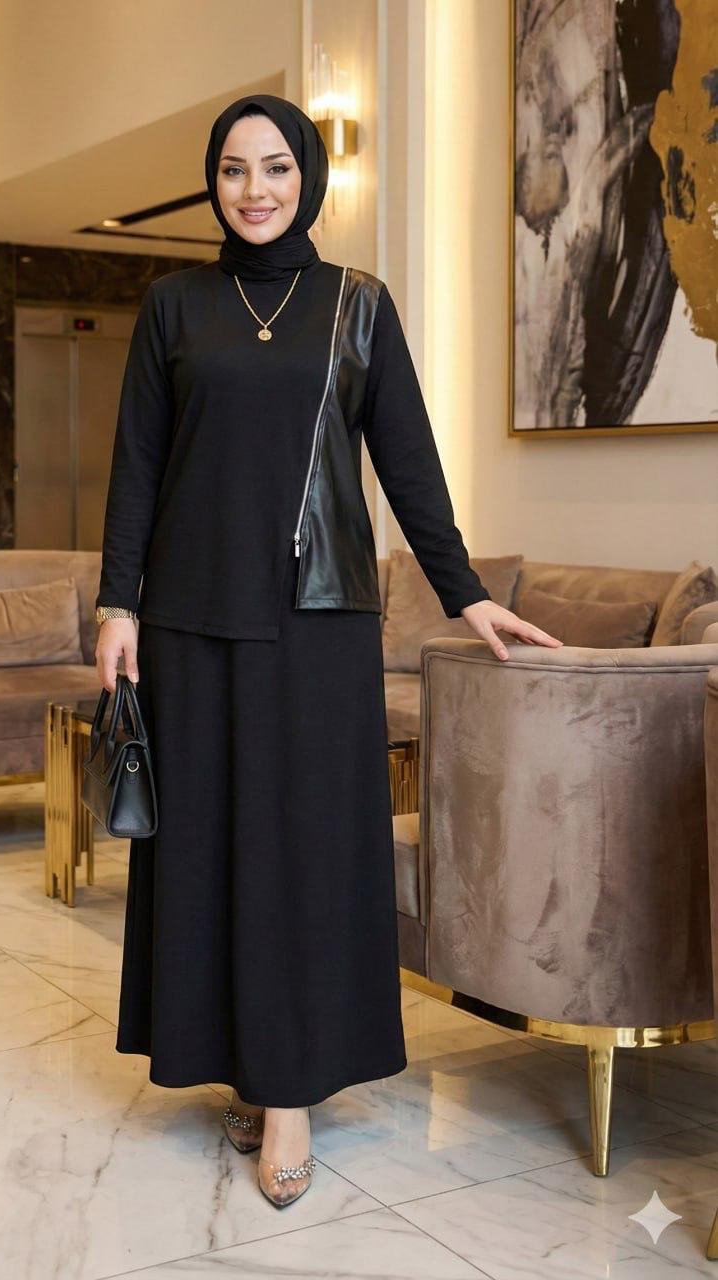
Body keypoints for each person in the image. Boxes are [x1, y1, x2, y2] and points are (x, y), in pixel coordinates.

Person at [94, 92, 562, 1208]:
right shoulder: (173, 305)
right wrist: (117, 605)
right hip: (192, 622)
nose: (254, 189)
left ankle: (292, 1091)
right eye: (233, 169)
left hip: (318, 627)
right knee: (211, 849)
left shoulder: (358, 303)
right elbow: (137, 463)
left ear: (308, 177)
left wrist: (466, 593)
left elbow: (408, 460)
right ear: (212, 182)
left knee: (302, 851)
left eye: (275, 167)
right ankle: (245, 1065)